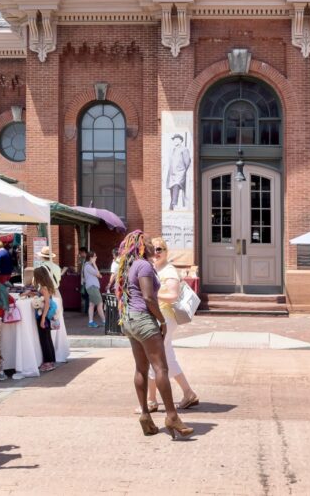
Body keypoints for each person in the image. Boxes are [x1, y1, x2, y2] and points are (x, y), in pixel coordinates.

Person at [113, 230, 193, 439]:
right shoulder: (144, 265)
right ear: (140, 245)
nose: (152, 244)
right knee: (161, 368)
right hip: (143, 319)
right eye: (148, 241)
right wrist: (162, 320)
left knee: (141, 368)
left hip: (129, 319)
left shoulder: (128, 266)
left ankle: (146, 417)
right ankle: (172, 416)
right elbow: (149, 298)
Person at [144, 237, 198, 412]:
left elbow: (173, 295)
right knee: (167, 357)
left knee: (154, 357)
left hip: (165, 317)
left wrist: (152, 294)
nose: (156, 252)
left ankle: (151, 401)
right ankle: (188, 393)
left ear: (166, 251)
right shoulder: (154, 268)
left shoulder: (169, 271)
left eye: (160, 249)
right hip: (159, 316)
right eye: (153, 249)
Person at [31, 265, 58, 372]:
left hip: (43, 316)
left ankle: (48, 362)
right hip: (46, 316)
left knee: (44, 339)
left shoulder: (43, 288)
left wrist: (42, 318)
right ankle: (51, 360)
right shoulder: (46, 286)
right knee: (47, 338)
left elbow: (46, 304)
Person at [165, 133, 191, 210]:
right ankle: (171, 205)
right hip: (172, 173)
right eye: (174, 140)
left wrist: (182, 170)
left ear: (180, 140)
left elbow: (187, 162)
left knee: (176, 185)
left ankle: (174, 204)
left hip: (180, 172)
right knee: (172, 188)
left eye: (177, 139)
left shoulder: (184, 149)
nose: (175, 141)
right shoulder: (173, 150)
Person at [83, 250, 105, 328]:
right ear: (91, 258)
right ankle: (104, 321)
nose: (96, 257)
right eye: (95, 256)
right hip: (92, 287)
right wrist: (94, 263)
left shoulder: (88, 265)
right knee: (100, 304)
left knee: (91, 305)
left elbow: (99, 275)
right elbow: (98, 274)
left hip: (92, 287)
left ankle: (91, 321)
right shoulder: (88, 266)